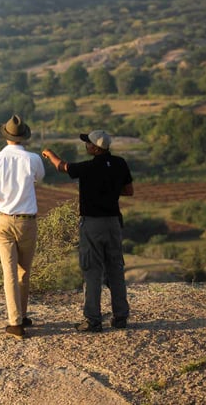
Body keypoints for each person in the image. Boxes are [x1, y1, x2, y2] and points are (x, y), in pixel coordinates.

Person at [42, 130, 133, 332]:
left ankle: (93, 319)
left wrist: (49, 153)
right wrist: (109, 189)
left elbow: (61, 167)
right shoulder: (120, 163)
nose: (86, 146)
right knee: (116, 269)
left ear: (95, 148)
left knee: (92, 271)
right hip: (114, 223)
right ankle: (121, 317)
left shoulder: (89, 167)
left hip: (93, 224)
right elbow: (129, 191)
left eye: (88, 143)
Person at [0, 115, 45, 340]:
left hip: (3, 219)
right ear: (24, 136)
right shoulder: (33, 158)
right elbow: (40, 178)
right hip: (28, 220)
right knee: (24, 270)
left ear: (6, 136)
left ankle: (15, 322)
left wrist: (2, 195)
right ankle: (23, 314)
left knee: (8, 271)